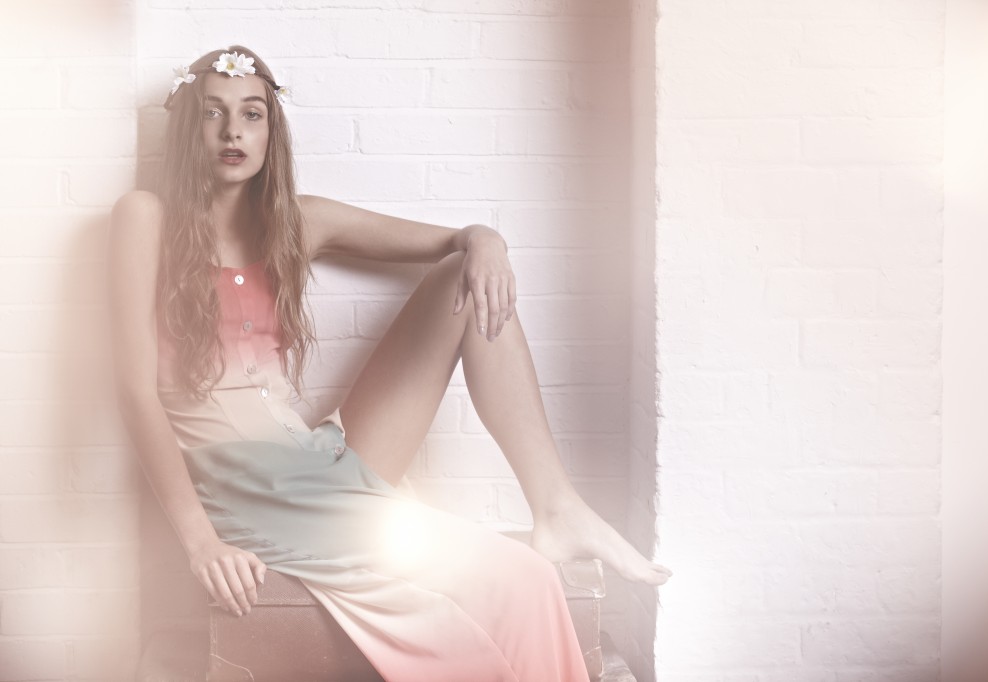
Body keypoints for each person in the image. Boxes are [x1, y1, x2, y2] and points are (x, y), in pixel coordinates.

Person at [109, 45, 671, 681]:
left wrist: (485, 238)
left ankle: (557, 506)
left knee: (466, 278)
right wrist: (201, 543)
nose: (232, 130)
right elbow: (136, 393)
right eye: (213, 112)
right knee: (519, 581)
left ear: (272, 131)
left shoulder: (294, 222)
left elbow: (453, 243)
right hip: (250, 491)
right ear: (190, 126)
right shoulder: (145, 218)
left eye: (252, 114)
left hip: (316, 462)